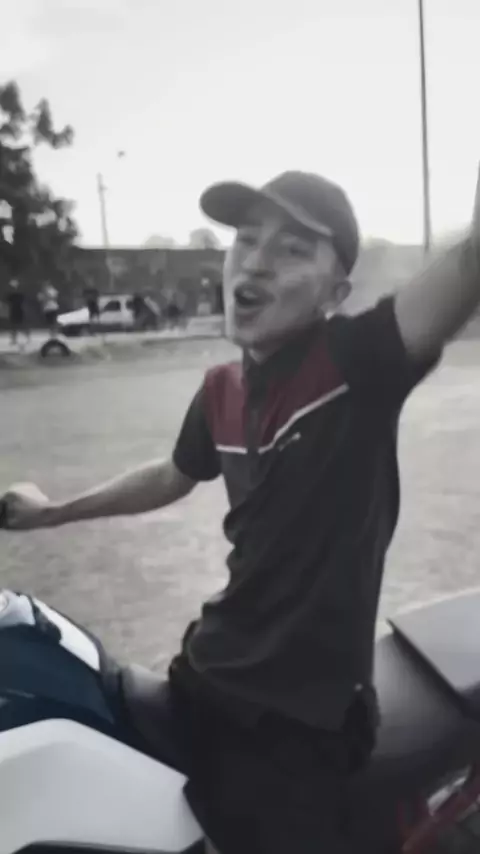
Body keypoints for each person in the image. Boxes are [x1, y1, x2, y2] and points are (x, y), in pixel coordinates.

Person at [3, 168, 480, 854]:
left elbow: (470, 261)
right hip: (206, 680)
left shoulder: (357, 362)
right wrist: (52, 513)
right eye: (247, 240)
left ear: (335, 292)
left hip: (298, 728)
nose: (255, 261)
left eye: (292, 248)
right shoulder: (220, 389)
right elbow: (171, 475)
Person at [4, 279, 30, 348]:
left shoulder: (20, 294)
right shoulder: (11, 295)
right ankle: (14, 339)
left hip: (19, 310)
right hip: (13, 310)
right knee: (14, 326)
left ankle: (28, 337)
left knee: (22, 325)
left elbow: (24, 302)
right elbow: (7, 302)